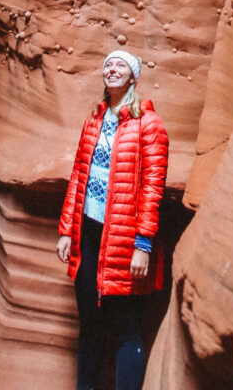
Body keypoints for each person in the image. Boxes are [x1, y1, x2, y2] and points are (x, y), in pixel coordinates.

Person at [56, 49, 169, 390]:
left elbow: (152, 187)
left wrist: (143, 244)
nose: (113, 69)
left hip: (123, 239)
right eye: (109, 65)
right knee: (89, 320)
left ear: (133, 76)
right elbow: (79, 175)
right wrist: (65, 231)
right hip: (87, 234)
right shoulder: (95, 119)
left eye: (121, 65)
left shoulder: (149, 125)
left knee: (124, 325)